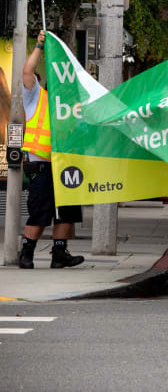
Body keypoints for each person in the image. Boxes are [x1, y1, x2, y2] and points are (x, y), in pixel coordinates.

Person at [19, 30, 85, 269]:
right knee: (40, 211)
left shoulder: (72, 107)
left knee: (67, 211)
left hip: (66, 164)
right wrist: (38, 47)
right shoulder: (37, 96)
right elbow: (27, 72)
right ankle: (26, 253)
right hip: (43, 163)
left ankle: (59, 254)